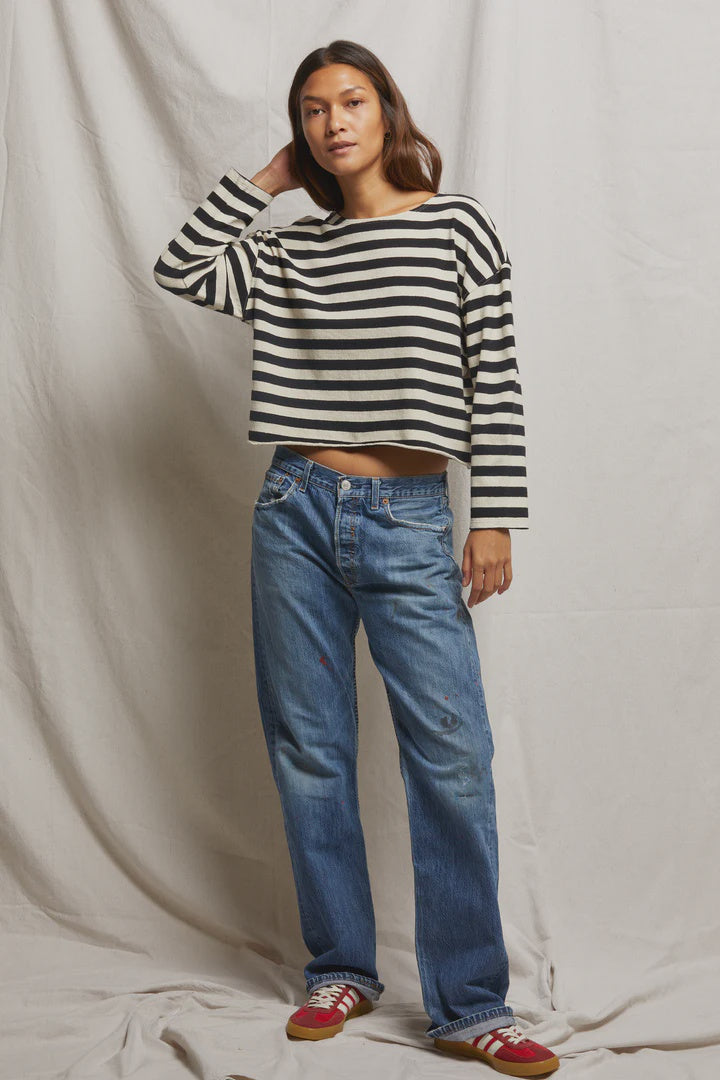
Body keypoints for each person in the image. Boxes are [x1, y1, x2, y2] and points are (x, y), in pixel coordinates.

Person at [153, 37, 558, 1078]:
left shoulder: (456, 228)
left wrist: (494, 516)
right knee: (310, 750)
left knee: (454, 761)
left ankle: (471, 1003)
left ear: (388, 112)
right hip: (293, 509)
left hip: (414, 516)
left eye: (352, 101)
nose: (335, 122)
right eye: (313, 110)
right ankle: (341, 967)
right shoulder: (291, 250)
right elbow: (180, 265)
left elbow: (495, 380)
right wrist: (270, 180)